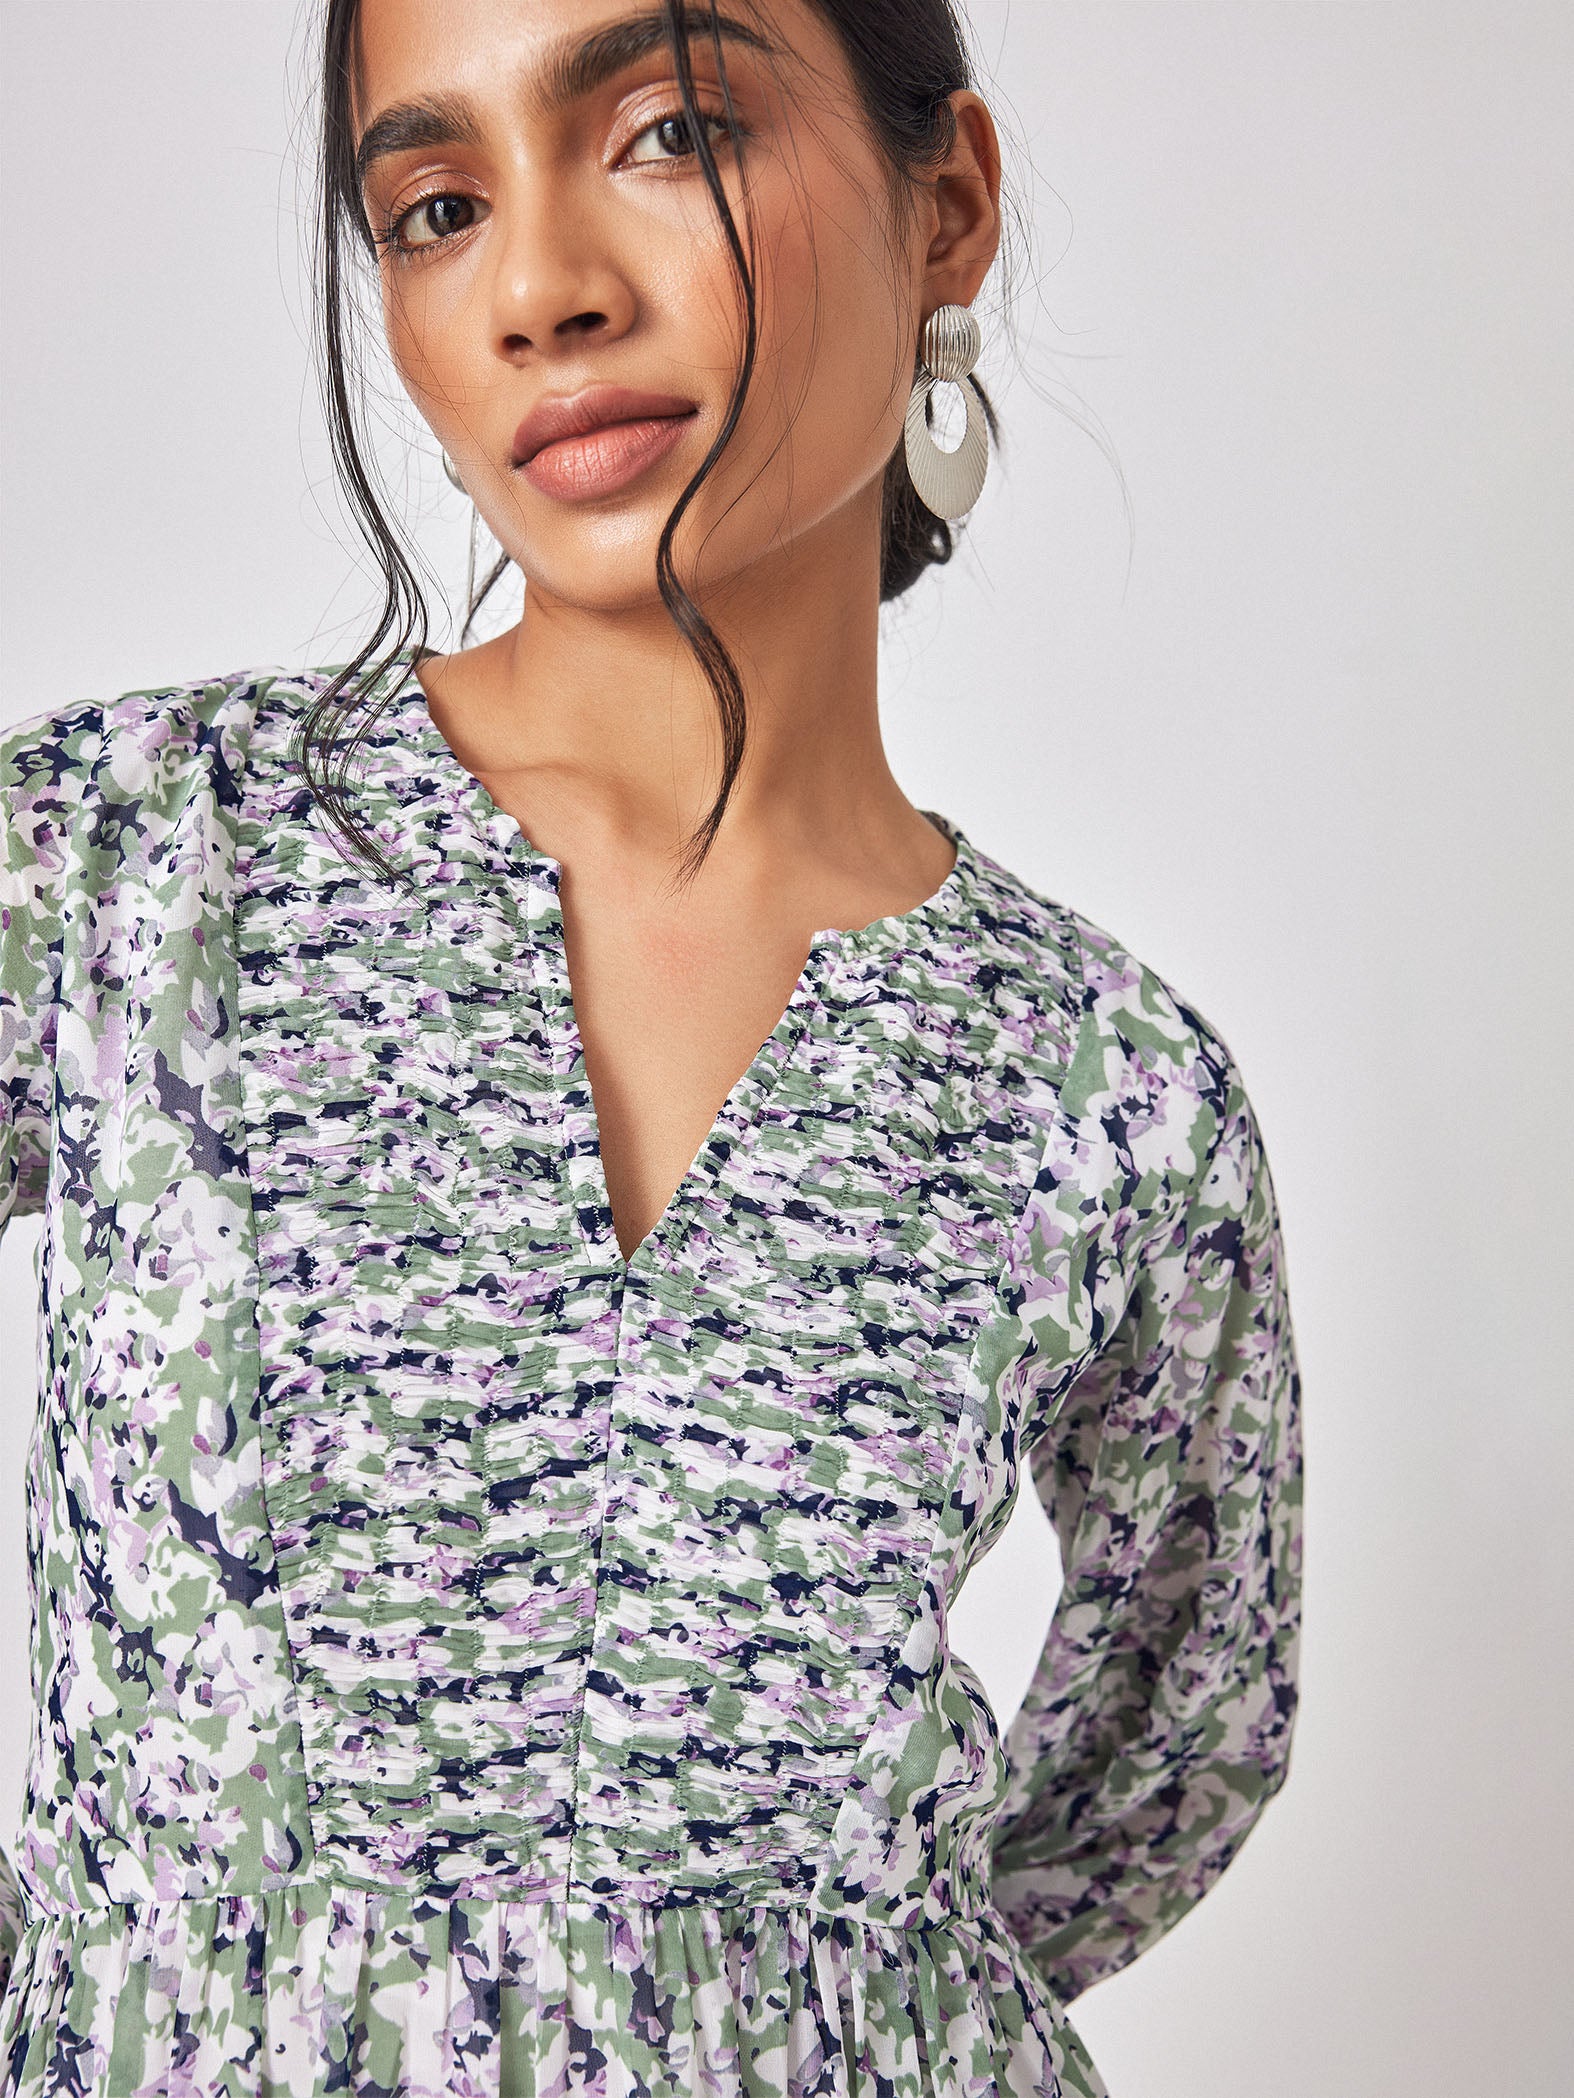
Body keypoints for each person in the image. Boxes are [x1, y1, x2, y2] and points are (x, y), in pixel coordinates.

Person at [0, 2, 1303, 2092]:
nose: (538, 289)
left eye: (670, 132)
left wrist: (776, 1994)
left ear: (946, 204)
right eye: (436, 208)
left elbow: (1179, 1741)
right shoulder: (130, 859)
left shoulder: (1101, 1084)